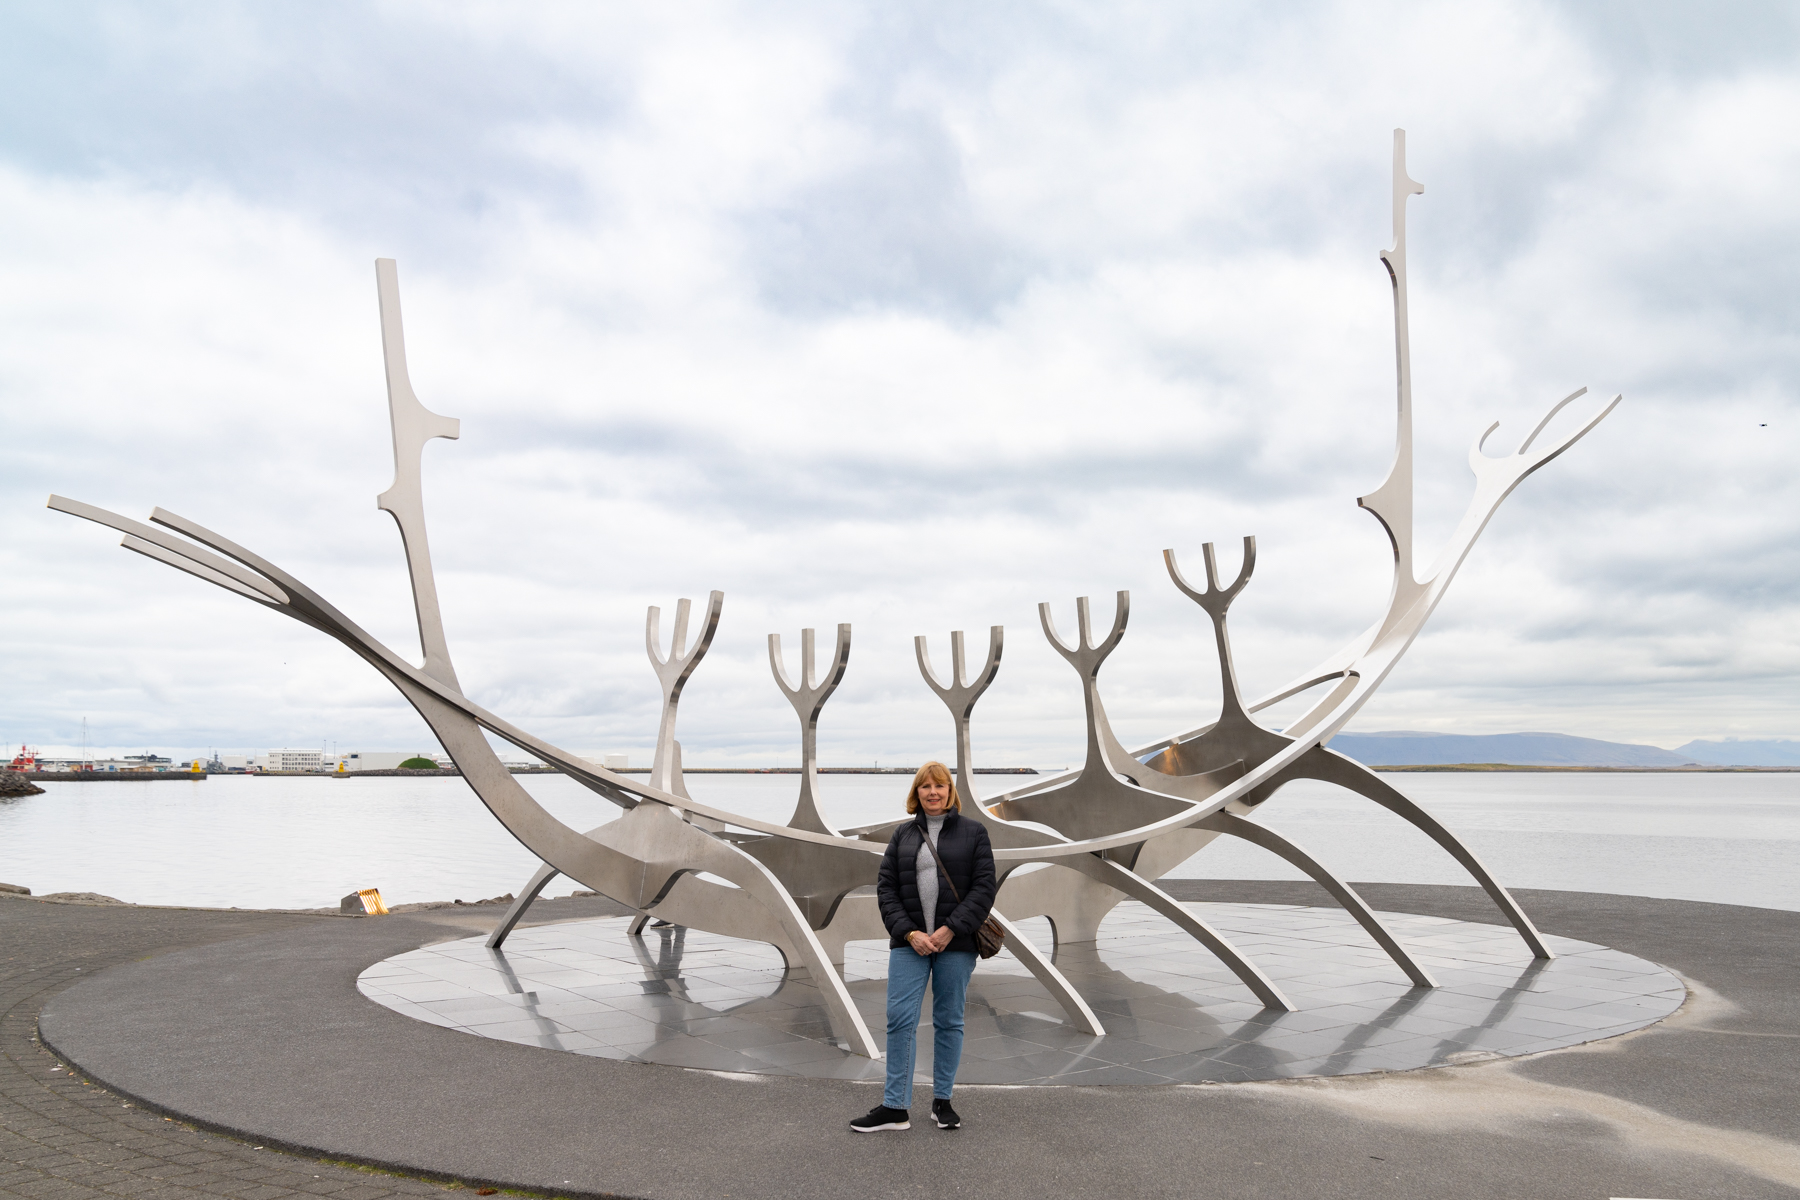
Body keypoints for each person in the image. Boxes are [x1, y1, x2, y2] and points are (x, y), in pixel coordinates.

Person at [850, 761, 996, 1133]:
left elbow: (983, 890)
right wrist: (911, 933)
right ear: (916, 793)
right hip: (909, 944)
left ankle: (942, 1101)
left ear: (951, 791)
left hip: (957, 943)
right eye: (926, 786)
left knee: (949, 1021)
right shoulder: (903, 835)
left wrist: (949, 930)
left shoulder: (974, 833)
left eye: (940, 786)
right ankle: (895, 1107)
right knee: (900, 1020)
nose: (933, 792)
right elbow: (886, 889)